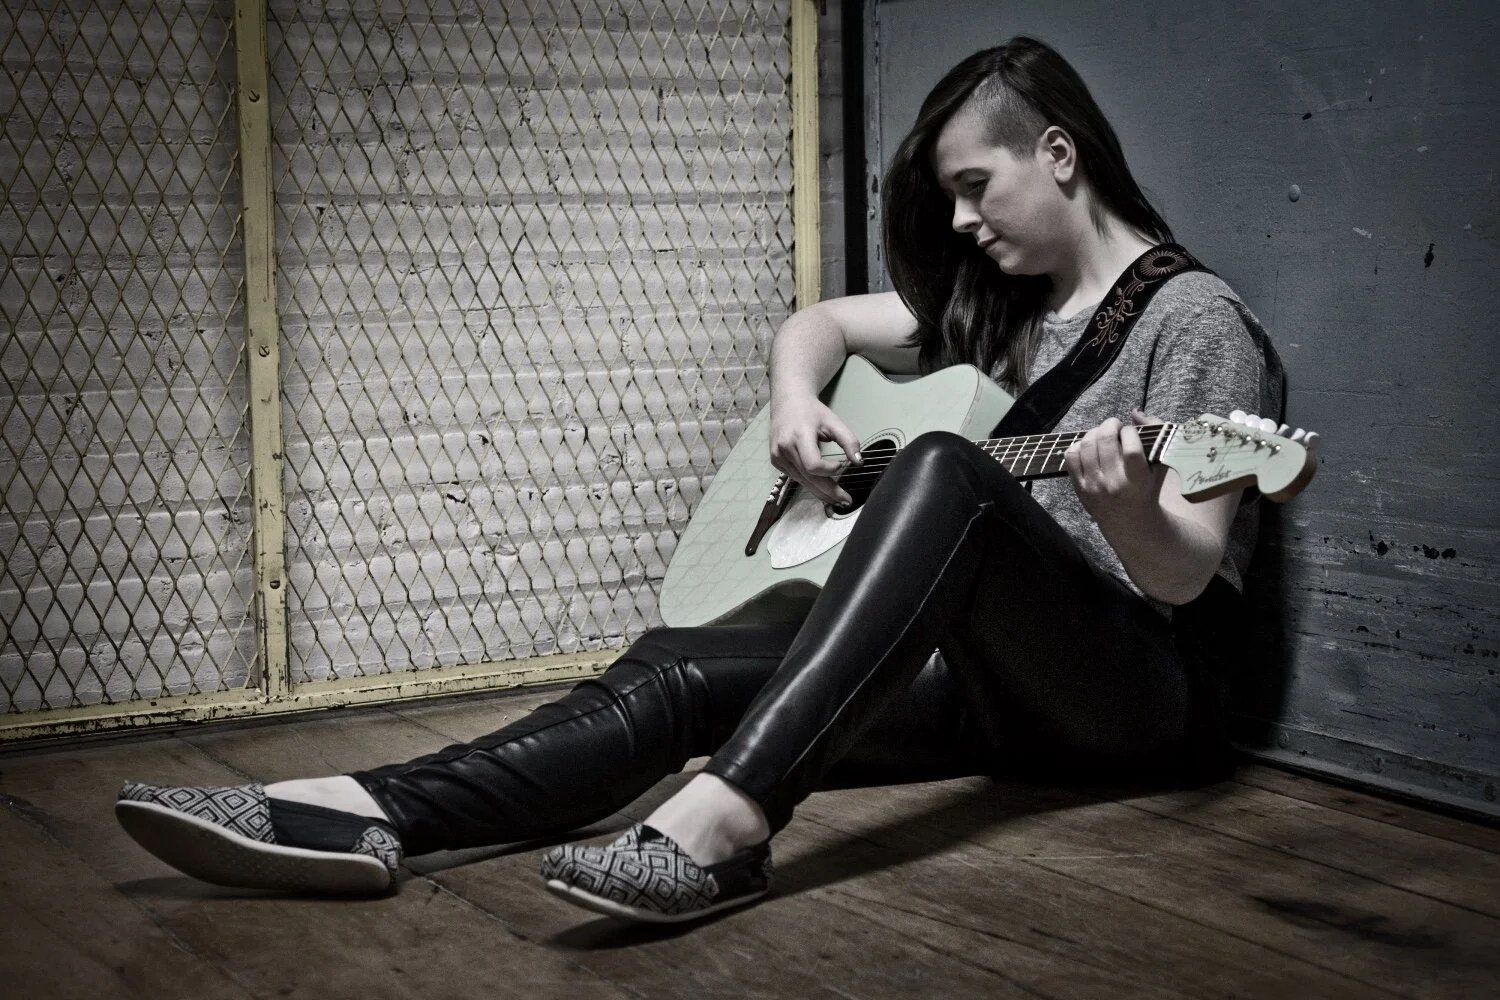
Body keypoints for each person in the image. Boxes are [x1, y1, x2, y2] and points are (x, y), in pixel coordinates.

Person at [115, 37, 1285, 924]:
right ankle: (372, 809)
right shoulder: (1016, 309)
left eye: (978, 186)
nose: (962, 219)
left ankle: (727, 825)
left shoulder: (1195, 320)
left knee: (946, 469)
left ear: (1060, 155)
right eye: (952, 198)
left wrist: (1127, 507)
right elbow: (822, 324)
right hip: (996, 694)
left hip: (1139, 708)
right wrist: (795, 402)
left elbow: (1187, 577)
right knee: (677, 667)